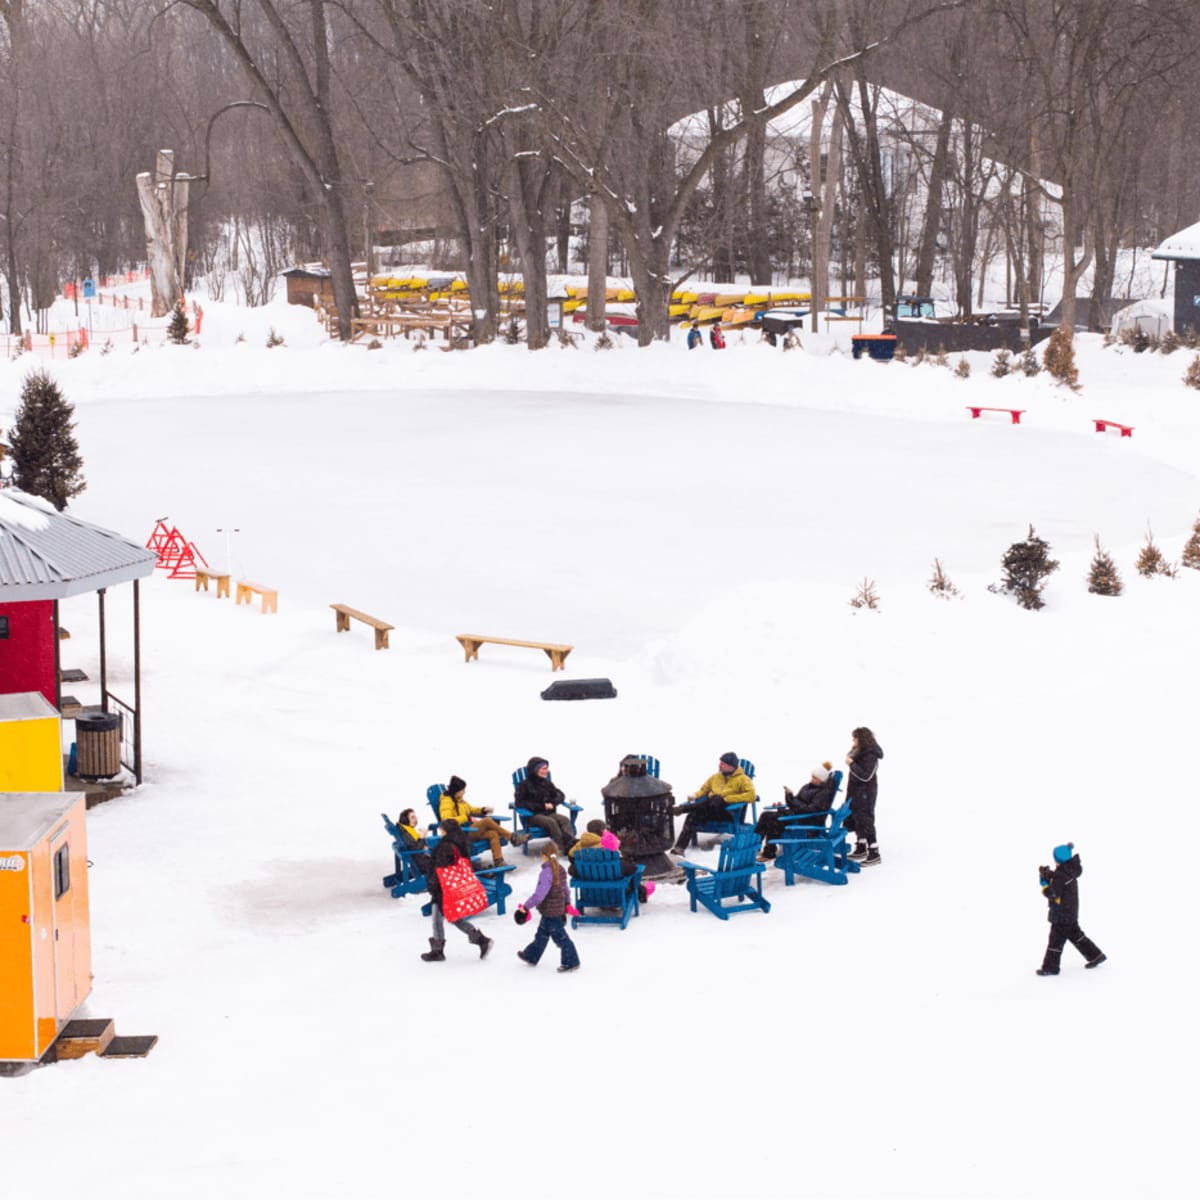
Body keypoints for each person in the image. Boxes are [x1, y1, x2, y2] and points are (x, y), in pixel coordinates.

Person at [420, 818, 493, 963]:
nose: (440, 832)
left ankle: (438, 951)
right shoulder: (459, 843)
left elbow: (439, 869)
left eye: (441, 829)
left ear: (445, 831)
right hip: (452, 887)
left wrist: (433, 885)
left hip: (443, 888)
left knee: (439, 918)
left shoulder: (445, 846)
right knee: (452, 916)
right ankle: (480, 939)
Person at [1036, 842, 1106, 976]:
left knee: (1055, 942)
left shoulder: (1060, 876)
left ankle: (1050, 967)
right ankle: (1096, 955)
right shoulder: (1069, 870)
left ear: (1058, 859)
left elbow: (1052, 893)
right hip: (1070, 913)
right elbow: (1060, 879)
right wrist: (1049, 874)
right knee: (1077, 936)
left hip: (1061, 916)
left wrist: (1044, 883)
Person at [669, 751, 756, 855]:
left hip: (729, 813)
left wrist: (728, 799)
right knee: (693, 815)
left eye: (723, 764)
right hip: (709, 809)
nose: (720, 765)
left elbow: (751, 796)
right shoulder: (715, 777)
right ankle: (679, 848)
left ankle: (683, 809)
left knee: (717, 799)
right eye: (720, 763)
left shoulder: (743, 780)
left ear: (731, 766)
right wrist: (695, 795)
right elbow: (704, 790)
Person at [515, 843, 581, 973]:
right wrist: (567, 903)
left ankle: (571, 961)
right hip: (556, 909)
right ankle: (531, 955)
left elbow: (539, 895)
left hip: (551, 912)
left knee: (561, 938)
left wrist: (526, 907)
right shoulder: (560, 869)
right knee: (541, 934)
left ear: (544, 856)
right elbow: (566, 890)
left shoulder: (546, 872)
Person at [754, 762, 839, 861]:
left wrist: (793, 802)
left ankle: (769, 853)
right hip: (797, 816)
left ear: (822, 780)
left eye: (815, 778)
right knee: (766, 815)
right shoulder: (807, 787)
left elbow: (810, 810)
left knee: (773, 821)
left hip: (806, 823)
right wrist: (789, 797)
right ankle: (755, 846)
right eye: (812, 776)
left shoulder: (823, 793)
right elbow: (797, 803)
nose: (812, 779)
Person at [439, 774, 527, 868]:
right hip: (461, 833)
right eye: (462, 790)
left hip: (470, 829)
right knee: (487, 821)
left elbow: (471, 809)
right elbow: (446, 820)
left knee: (492, 833)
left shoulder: (459, 799)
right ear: (456, 791)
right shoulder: (447, 802)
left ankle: (498, 861)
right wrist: (464, 817)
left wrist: (482, 810)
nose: (464, 792)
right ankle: (512, 837)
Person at [513, 756, 575, 854]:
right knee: (551, 822)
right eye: (544, 768)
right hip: (532, 816)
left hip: (548, 813)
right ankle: (561, 848)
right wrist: (542, 806)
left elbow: (560, 795)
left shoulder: (547, 784)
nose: (546, 771)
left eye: (547, 768)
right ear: (535, 770)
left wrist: (553, 803)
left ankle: (571, 845)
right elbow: (519, 802)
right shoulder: (524, 785)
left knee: (565, 820)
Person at [845, 727, 883, 866]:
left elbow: (866, 776)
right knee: (857, 818)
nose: (853, 740)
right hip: (857, 792)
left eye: (855, 738)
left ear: (861, 739)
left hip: (865, 792)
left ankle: (874, 852)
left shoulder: (870, 754)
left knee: (866, 819)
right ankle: (861, 846)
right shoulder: (859, 752)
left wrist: (852, 764)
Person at [394, 807, 432, 878]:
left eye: (415, 817)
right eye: (412, 817)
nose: (416, 819)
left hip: (420, 858)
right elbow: (415, 848)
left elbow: (414, 845)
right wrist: (422, 837)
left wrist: (423, 839)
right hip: (423, 864)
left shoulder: (406, 829)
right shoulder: (405, 833)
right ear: (406, 819)